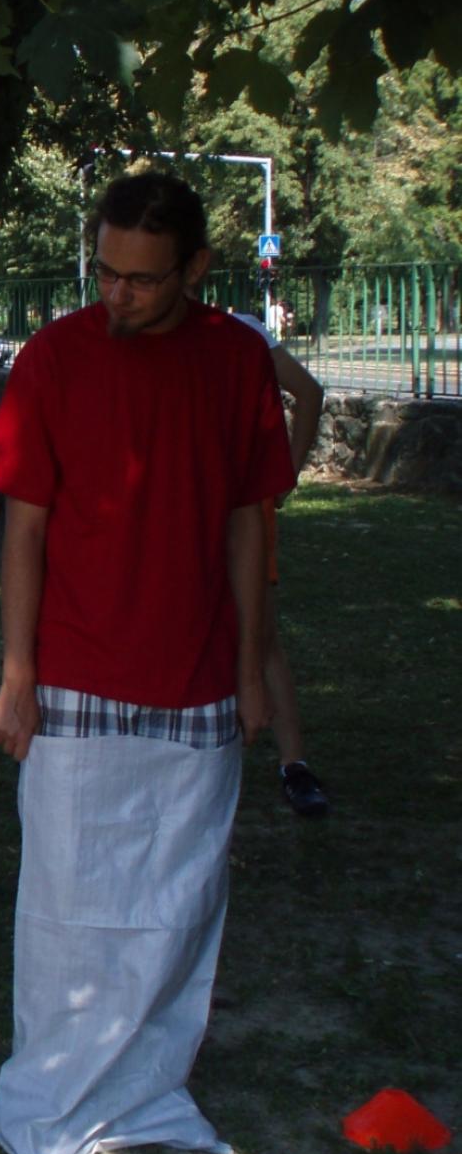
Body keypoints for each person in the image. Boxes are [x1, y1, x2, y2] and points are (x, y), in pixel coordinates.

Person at [0, 172, 296, 1154]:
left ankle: (146, 1086)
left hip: (197, 672)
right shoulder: (54, 356)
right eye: (105, 272)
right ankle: (58, 1086)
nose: (117, 293)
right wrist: (16, 672)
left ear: (196, 268)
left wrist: (251, 669)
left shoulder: (237, 358)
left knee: (174, 903)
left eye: (143, 279)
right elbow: (24, 529)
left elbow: (249, 523)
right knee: (67, 906)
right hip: (72, 669)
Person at [229, 308, 331, 817]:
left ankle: (294, 762)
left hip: (242, 499)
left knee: (261, 630)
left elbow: (309, 393)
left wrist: (284, 476)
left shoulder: (243, 333)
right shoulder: (143, 329)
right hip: (178, 496)